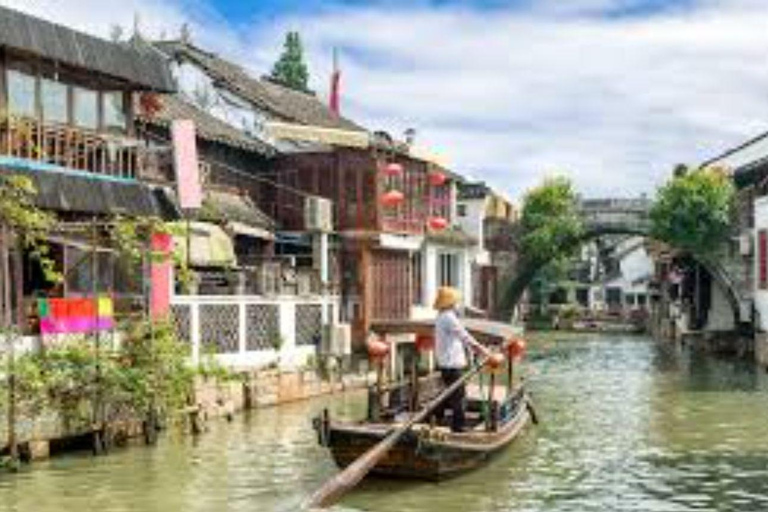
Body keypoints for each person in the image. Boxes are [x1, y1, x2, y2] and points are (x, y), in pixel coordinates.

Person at [433, 286, 491, 432]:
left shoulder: (441, 316)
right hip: (451, 364)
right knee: (459, 396)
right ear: (451, 303)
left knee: (449, 393)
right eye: (456, 302)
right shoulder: (449, 317)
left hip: (445, 362)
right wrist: (482, 349)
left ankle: (435, 415)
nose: (458, 304)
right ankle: (458, 427)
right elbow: (464, 336)